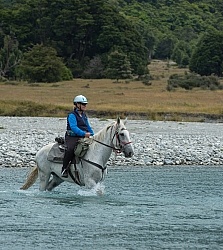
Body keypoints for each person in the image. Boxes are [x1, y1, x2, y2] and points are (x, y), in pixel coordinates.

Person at [61, 94, 94, 178]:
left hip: (83, 136)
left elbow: (87, 126)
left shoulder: (84, 115)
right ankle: (64, 169)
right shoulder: (72, 115)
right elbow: (74, 127)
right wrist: (84, 134)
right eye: (83, 104)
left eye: (85, 104)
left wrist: (92, 133)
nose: (85, 106)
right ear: (77, 105)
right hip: (72, 137)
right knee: (70, 149)